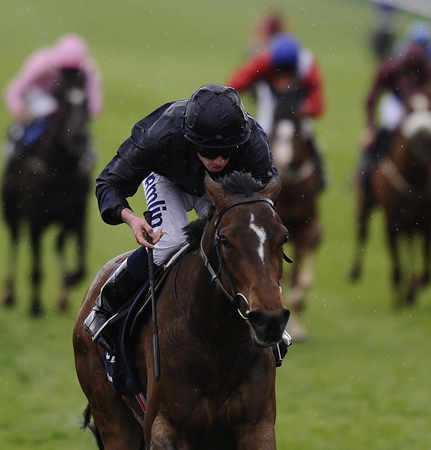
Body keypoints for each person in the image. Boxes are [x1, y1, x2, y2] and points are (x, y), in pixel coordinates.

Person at [84, 83, 279, 356]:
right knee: (170, 240)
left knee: (242, 243)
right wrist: (130, 218)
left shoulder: (252, 140)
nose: (219, 160)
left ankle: (269, 315)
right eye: (209, 152)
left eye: (228, 151)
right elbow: (109, 183)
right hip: (169, 181)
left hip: (222, 190)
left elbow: (264, 200)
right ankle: (106, 306)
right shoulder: (160, 134)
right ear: (190, 139)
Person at [227, 33, 327, 190]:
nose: (284, 78)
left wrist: (303, 110)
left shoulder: (308, 64)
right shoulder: (264, 60)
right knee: (261, 131)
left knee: (307, 133)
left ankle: (321, 175)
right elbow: (236, 82)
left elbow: (317, 104)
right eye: (280, 70)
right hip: (270, 99)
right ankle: (243, 176)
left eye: (288, 71)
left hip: (298, 102)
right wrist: (226, 99)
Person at [359, 41, 431, 190]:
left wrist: (425, 104)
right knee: (387, 130)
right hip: (396, 103)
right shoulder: (391, 68)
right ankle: (366, 174)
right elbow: (371, 97)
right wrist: (371, 128)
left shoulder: (429, 70)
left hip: (419, 104)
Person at [4, 33, 103, 157]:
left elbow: (94, 103)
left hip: (66, 100)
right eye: (66, 69)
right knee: (48, 109)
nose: (69, 74)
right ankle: (18, 144)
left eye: (73, 70)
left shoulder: (87, 70)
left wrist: (81, 116)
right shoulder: (42, 64)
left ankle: (86, 154)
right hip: (38, 96)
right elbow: (15, 90)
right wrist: (19, 109)